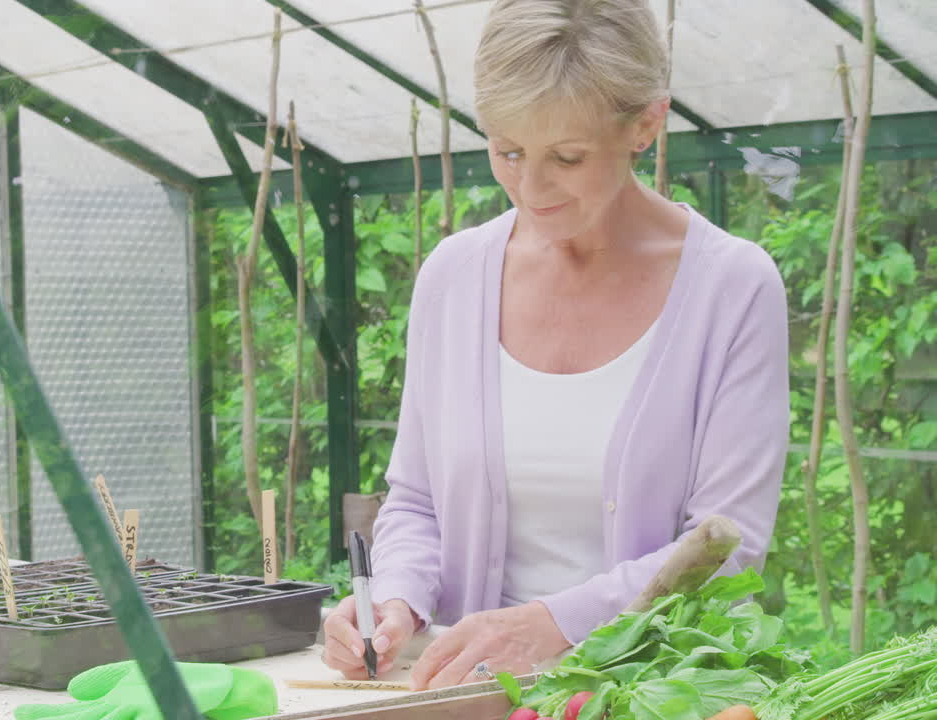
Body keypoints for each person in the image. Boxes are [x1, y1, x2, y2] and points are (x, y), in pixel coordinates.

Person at [321, 0, 790, 690]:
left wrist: (554, 623)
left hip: (661, 692)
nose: (530, 188)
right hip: (473, 692)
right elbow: (416, 502)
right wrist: (394, 599)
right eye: (507, 150)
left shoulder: (733, 287)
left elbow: (727, 548)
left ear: (646, 126)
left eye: (567, 157)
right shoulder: (453, 277)